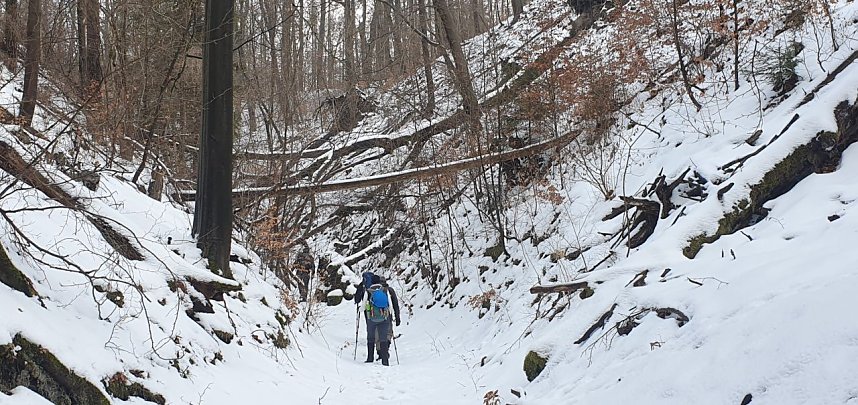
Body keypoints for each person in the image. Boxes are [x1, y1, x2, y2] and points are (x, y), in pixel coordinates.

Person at [354, 273, 401, 365]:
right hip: (385, 317)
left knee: (371, 337)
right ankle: (385, 360)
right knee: (384, 337)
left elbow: (363, 306)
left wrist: (360, 309)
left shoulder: (368, 291)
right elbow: (392, 305)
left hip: (371, 318)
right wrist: (393, 315)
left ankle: (370, 358)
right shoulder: (385, 290)